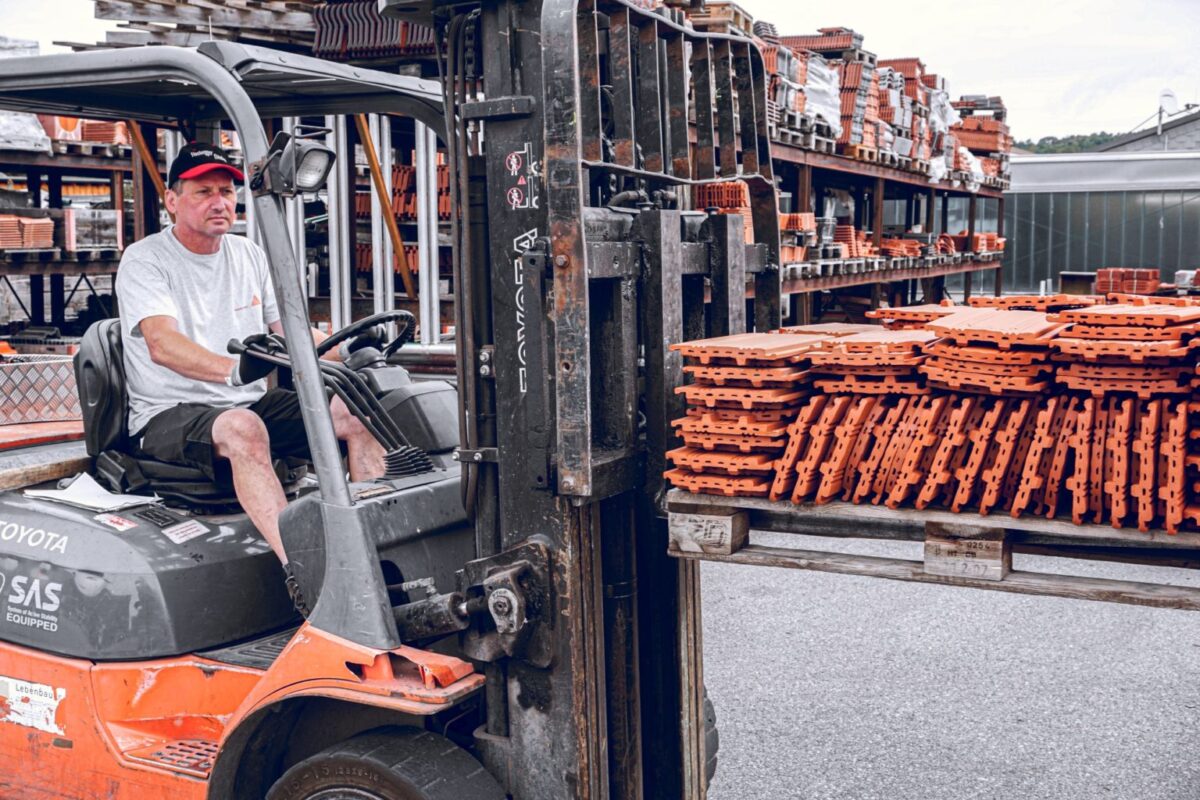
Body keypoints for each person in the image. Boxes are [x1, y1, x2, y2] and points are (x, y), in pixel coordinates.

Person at [116, 143, 385, 612]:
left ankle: (374, 555)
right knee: (244, 426)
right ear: (173, 200)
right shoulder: (145, 260)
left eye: (226, 191)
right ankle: (306, 579)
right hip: (167, 413)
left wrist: (354, 345)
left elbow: (293, 332)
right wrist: (234, 370)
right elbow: (162, 343)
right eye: (203, 192)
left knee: (354, 410)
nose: (219, 202)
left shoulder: (248, 254)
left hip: (240, 402)